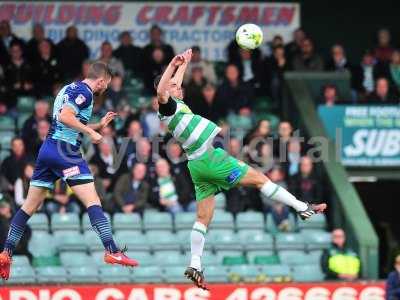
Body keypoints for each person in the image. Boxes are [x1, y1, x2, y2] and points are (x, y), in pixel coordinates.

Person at [154, 49, 326, 289]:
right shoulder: (166, 105)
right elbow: (163, 89)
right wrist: (172, 65)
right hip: (212, 159)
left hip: (196, 165)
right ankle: (301, 207)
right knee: (259, 179)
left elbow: (174, 85)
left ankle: (195, 263)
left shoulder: (177, 103)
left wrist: (185, 64)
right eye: (174, 85)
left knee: (203, 218)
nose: (178, 87)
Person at [0, 61, 139, 281]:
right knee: (93, 202)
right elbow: (66, 116)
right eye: (107, 84)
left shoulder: (68, 88)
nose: (106, 88)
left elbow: (65, 120)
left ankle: (6, 252)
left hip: (48, 150)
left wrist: (98, 125)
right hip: (65, 152)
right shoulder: (86, 92)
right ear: (101, 80)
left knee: (29, 206)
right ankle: (112, 251)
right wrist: (91, 134)